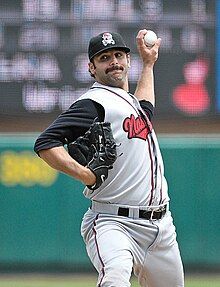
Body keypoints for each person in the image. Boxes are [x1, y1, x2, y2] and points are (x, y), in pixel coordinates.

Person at [34, 30, 184, 287]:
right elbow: (46, 143)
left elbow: (146, 106)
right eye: (104, 57)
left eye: (118, 55)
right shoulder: (94, 102)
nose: (113, 61)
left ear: (127, 61)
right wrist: (86, 175)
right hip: (114, 222)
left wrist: (148, 64)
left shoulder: (130, 103)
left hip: (161, 228)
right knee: (114, 280)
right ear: (92, 68)